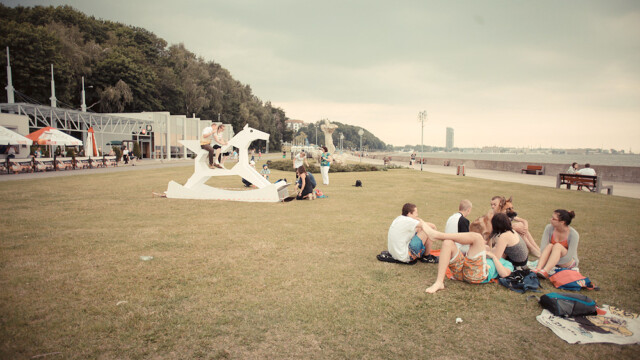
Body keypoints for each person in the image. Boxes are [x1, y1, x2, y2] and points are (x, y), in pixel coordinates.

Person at [424, 227, 514, 294]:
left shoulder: (507, 263)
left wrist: (494, 257)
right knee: (448, 242)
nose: (495, 248)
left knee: (477, 237)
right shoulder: (486, 252)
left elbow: (504, 274)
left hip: (475, 275)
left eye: (498, 247)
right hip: (462, 272)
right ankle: (439, 282)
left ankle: (437, 235)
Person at [533, 210, 579, 279]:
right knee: (550, 245)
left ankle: (545, 271)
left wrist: (553, 262)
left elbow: (569, 257)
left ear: (562, 222)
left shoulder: (573, 234)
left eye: (553, 219)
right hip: (552, 257)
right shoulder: (549, 228)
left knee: (557, 246)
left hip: (568, 261)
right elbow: (543, 248)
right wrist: (550, 260)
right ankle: (538, 269)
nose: (550, 219)